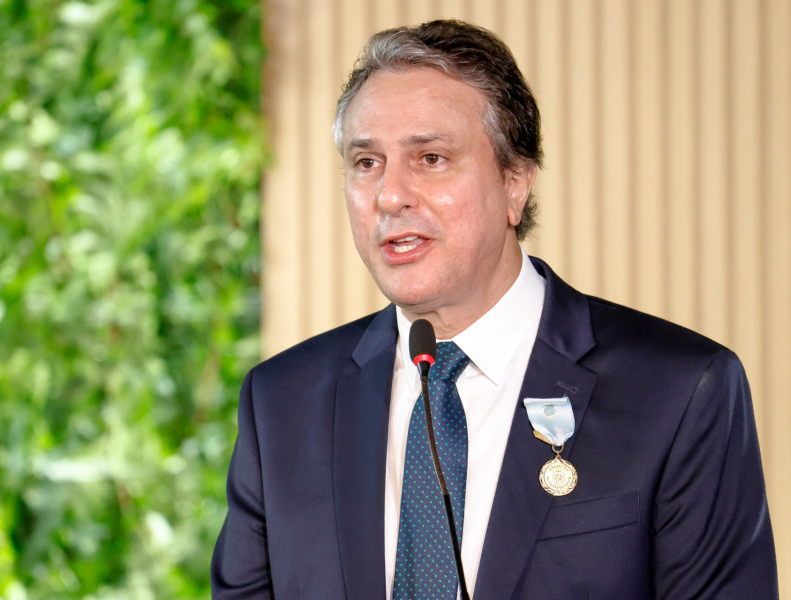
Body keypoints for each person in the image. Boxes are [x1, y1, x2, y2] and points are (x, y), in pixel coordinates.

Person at [211, 19, 777, 599]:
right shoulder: (281, 402)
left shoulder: (679, 391)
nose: (389, 195)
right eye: (366, 162)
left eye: (431, 157)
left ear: (515, 183)